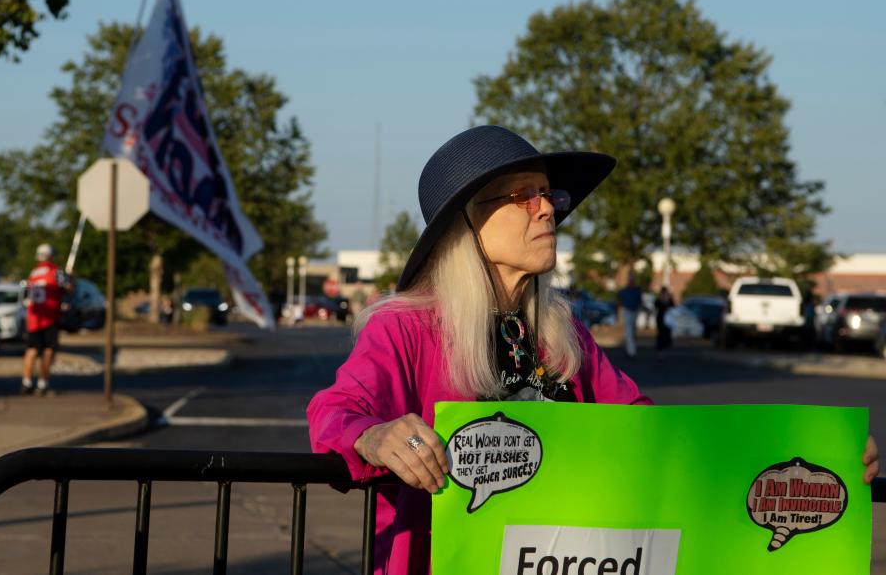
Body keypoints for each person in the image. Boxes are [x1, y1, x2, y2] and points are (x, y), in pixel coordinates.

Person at [307, 126, 880, 575]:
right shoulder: (407, 329)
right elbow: (335, 411)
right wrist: (374, 436)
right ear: (469, 224)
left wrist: (817, 458)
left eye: (546, 194)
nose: (548, 209)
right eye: (523, 196)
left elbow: (651, 436)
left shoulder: (562, 335)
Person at [21, 243, 72, 396]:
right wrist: (71, 278)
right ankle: (42, 383)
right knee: (48, 351)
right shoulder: (56, 272)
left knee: (31, 350)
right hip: (50, 318)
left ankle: (26, 382)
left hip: (34, 319)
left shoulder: (33, 273)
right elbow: (68, 288)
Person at [617, 273, 643, 358]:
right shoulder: (624, 291)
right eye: (630, 280)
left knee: (633, 331)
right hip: (627, 311)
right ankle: (631, 352)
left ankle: (630, 348)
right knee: (629, 331)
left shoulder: (637, 290)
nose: (631, 282)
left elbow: (640, 301)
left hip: (635, 311)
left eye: (632, 280)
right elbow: (620, 301)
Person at [654, 286, 675, 357]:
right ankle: (660, 351)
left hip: (668, 319)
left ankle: (664, 351)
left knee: (666, 335)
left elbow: (673, 306)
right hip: (661, 319)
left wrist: (669, 298)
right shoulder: (659, 299)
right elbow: (656, 305)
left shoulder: (669, 299)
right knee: (661, 335)